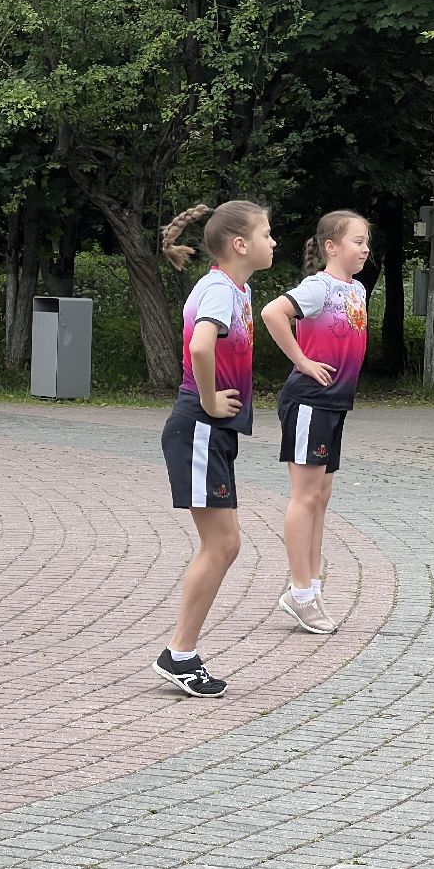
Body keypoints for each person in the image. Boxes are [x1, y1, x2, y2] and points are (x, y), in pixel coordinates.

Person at [151, 202, 275, 698]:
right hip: (199, 426)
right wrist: (207, 399)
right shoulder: (220, 289)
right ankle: (179, 654)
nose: (274, 242)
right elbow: (201, 346)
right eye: (267, 233)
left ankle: (181, 652)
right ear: (240, 245)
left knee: (225, 544)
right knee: (222, 545)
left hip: (210, 430)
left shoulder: (234, 288)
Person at [260, 209, 370, 635]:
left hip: (334, 404)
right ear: (331, 246)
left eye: (367, 241)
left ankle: (311, 587)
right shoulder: (318, 287)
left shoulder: (357, 289)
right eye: (357, 241)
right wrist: (302, 361)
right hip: (309, 402)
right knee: (305, 497)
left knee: (320, 497)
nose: (365, 248)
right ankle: (300, 593)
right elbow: (272, 313)